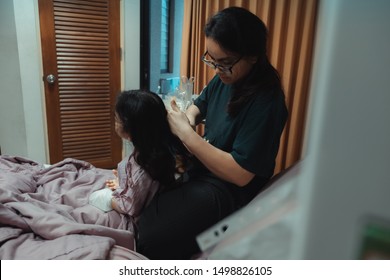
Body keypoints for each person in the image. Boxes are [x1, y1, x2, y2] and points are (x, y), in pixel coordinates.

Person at [136, 7, 288, 259]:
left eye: (225, 63)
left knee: (152, 238)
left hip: (229, 190)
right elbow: (200, 105)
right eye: (212, 60)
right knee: (146, 211)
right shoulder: (223, 78)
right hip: (204, 171)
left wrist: (187, 135)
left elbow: (240, 175)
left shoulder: (267, 102)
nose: (217, 69)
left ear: (252, 55)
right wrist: (188, 118)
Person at [89, 90, 188, 225]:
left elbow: (130, 207)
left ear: (132, 129)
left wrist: (108, 200)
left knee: (92, 198)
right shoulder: (157, 147)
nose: (115, 123)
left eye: (117, 119)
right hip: (137, 195)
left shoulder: (143, 170)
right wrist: (123, 183)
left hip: (141, 219)